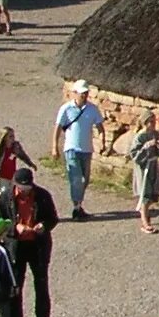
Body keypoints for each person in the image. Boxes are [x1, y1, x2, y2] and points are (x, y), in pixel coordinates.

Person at [10, 167, 61, 317]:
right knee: (15, 286)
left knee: (41, 287)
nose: (25, 191)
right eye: (22, 188)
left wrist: (43, 226)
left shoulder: (42, 195)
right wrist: (14, 228)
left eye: (28, 187)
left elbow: (53, 218)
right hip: (17, 246)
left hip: (38, 246)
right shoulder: (6, 198)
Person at [54, 81, 105, 222]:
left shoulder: (92, 109)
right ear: (75, 93)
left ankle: (78, 204)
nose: (84, 95)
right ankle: (76, 208)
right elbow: (58, 127)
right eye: (81, 93)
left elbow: (100, 126)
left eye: (86, 93)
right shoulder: (66, 109)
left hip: (86, 149)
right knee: (76, 178)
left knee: (85, 179)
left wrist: (102, 142)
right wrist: (55, 146)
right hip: (71, 148)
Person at [127, 111, 159, 234]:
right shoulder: (139, 137)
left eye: (154, 121)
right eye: (151, 122)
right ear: (145, 123)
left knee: (153, 194)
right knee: (145, 193)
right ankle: (145, 222)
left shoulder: (157, 135)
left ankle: (144, 211)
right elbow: (134, 156)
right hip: (143, 168)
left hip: (154, 166)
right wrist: (145, 147)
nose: (153, 124)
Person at [0, 126, 39, 221]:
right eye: (10, 136)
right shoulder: (1, 150)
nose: (13, 138)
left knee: (12, 194)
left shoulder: (15, 147)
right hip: (1, 177)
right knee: (2, 194)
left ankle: (11, 213)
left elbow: (22, 155)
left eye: (13, 136)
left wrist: (31, 164)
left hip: (12, 176)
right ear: (4, 138)